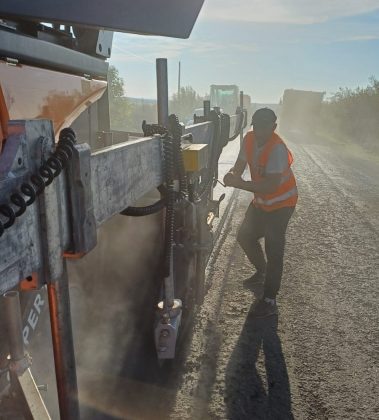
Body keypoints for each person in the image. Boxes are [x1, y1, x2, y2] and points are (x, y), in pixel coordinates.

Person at [223, 108, 297, 318]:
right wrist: (232, 174)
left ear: (273, 127)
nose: (260, 131)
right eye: (256, 126)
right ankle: (262, 271)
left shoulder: (278, 149)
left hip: (282, 204)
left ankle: (270, 298)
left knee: (274, 248)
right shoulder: (249, 139)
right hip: (262, 202)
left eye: (265, 127)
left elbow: (271, 186)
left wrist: (240, 184)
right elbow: (239, 165)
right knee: (245, 236)